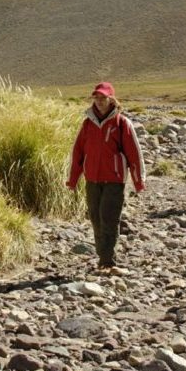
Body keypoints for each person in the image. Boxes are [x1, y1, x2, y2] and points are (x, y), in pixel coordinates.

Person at [66, 82, 146, 272]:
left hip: (114, 181)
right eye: (97, 98)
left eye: (103, 98)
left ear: (111, 99)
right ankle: (104, 256)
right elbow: (78, 152)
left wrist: (138, 181)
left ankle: (107, 261)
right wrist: (73, 179)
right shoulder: (87, 123)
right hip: (92, 180)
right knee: (95, 218)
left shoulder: (121, 123)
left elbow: (134, 154)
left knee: (108, 218)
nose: (100, 101)